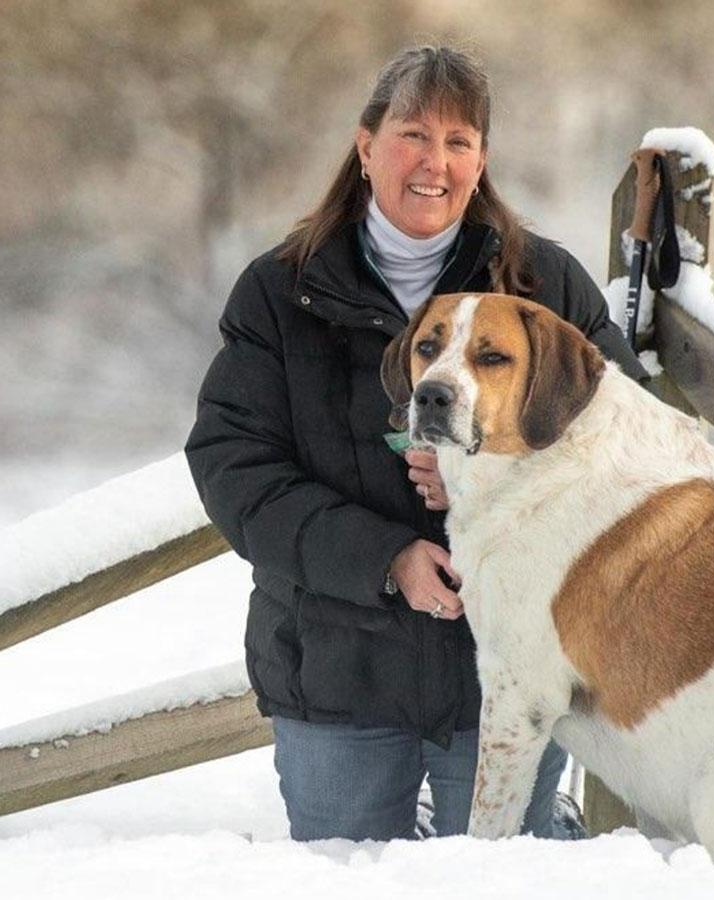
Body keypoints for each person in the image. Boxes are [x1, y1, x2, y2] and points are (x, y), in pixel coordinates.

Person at [184, 45, 649, 842]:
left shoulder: (546, 287)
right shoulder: (281, 292)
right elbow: (235, 465)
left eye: (459, 142)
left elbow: (630, 439)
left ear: (482, 162)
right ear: (366, 146)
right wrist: (384, 560)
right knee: (347, 879)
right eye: (414, 135)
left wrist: (493, 466)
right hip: (337, 667)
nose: (436, 163)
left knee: (502, 885)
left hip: (509, 669)